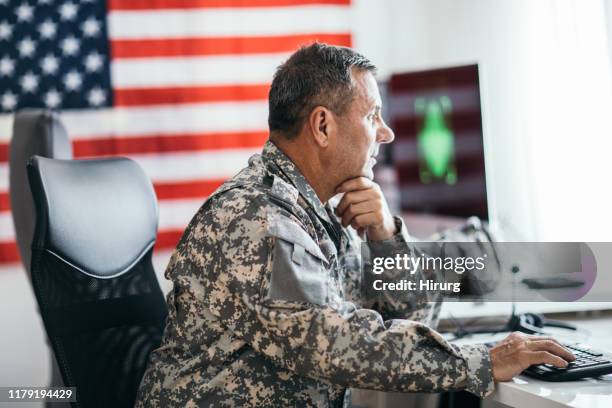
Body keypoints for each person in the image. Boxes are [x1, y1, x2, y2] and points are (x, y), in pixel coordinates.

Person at [135, 43, 575, 407]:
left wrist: (386, 235)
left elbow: (413, 313)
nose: (386, 134)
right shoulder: (258, 220)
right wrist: (481, 360)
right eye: (372, 116)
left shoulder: (319, 213)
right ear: (322, 126)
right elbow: (337, 345)